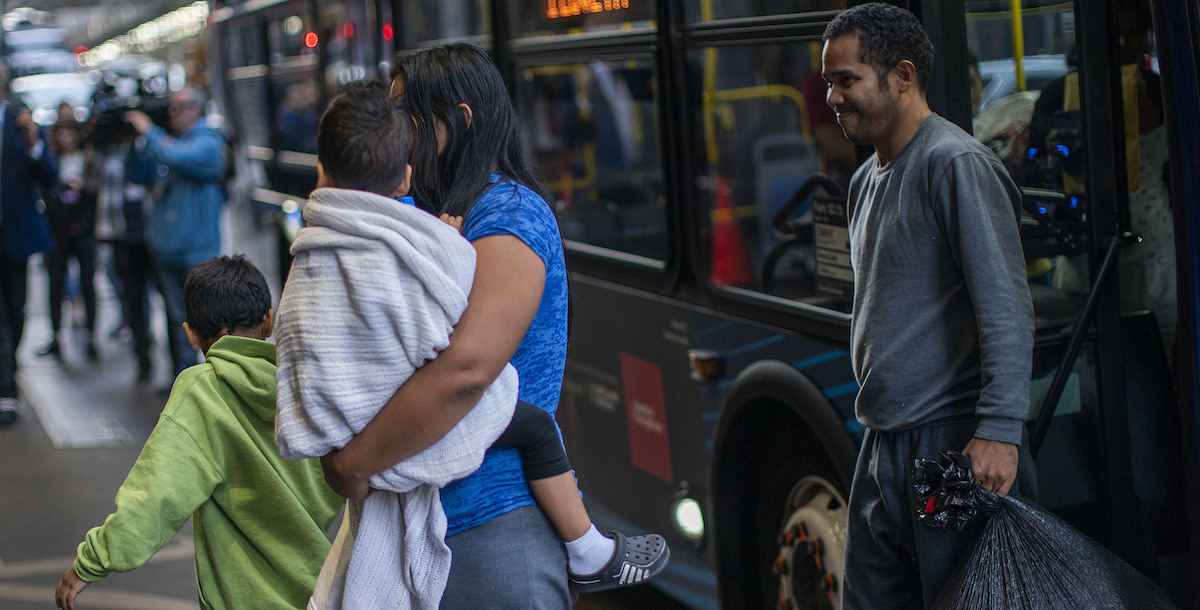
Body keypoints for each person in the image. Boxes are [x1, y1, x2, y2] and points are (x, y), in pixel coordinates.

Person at [273, 81, 667, 608]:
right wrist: (450, 245)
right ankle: (588, 549)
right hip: (456, 496)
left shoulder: (318, 244)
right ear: (404, 176)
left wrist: (349, 460)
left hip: (432, 485)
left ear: (322, 171)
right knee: (531, 423)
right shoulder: (424, 229)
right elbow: (458, 352)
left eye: (413, 118)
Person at [820, 4, 1037, 607]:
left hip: (954, 442)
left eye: (847, 79)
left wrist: (997, 430)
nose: (833, 98)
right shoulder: (866, 180)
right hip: (883, 440)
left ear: (904, 76)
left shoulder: (957, 164)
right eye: (828, 82)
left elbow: (1006, 308)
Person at [54, 255, 343, 610]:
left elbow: (157, 496)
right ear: (269, 321)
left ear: (190, 334)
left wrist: (91, 562)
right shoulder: (304, 386)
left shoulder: (204, 392)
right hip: (319, 589)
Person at [125, 84, 226, 385]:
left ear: (198, 109)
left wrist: (149, 132)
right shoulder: (162, 143)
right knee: (175, 321)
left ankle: (216, 383)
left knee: (206, 321)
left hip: (197, 251)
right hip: (166, 250)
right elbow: (135, 174)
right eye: (171, 106)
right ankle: (183, 381)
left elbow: (182, 158)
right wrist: (135, 142)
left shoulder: (207, 141)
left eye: (181, 106)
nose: (173, 113)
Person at [0, 64, 58, 425]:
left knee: (16, 309)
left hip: (15, 235)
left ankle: (9, 366)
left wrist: (36, 143)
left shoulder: (20, 125)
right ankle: (7, 389)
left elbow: (49, 176)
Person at [87, 115, 157, 381]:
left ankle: (173, 358)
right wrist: (94, 137)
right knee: (132, 297)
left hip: (149, 231)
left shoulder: (148, 146)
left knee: (162, 299)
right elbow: (90, 180)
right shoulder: (103, 151)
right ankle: (143, 355)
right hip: (119, 233)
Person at [39, 120, 99, 362]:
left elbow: (96, 191)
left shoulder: (88, 159)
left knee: (87, 281)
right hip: (58, 230)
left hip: (83, 230)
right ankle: (56, 334)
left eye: (69, 133)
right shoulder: (52, 161)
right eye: (60, 134)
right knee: (55, 283)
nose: (65, 138)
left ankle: (91, 334)